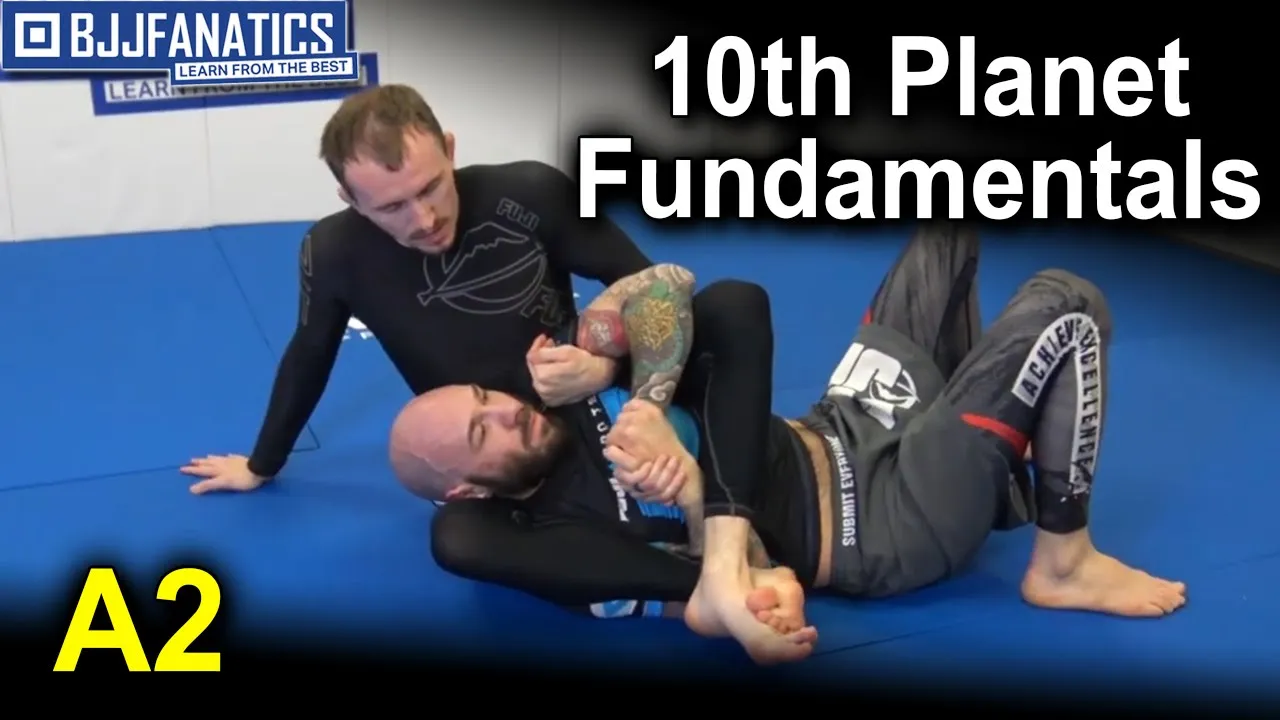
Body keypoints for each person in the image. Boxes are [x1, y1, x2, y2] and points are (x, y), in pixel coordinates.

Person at [398, 226, 1189, 665]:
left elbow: (680, 287)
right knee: (1066, 303)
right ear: (468, 490)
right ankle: (1063, 561)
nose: (511, 414)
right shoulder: (557, 539)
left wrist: (632, 385)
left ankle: (993, 454)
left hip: (844, 419)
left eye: (489, 401)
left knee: (946, 227)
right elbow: (736, 591)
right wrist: (695, 500)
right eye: (482, 433)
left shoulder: (560, 389)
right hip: (880, 521)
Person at [179, 83, 653, 493]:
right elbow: (310, 353)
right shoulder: (333, 252)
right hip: (486, 463)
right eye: (392, 207)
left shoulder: (531, 193)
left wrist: (603, 368)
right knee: (458, 541)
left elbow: (652, 288)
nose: (424, 220)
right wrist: (261, 465)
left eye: (430, 188)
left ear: (449, 150)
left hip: (590, 403)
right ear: (351, 200)